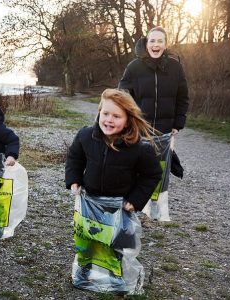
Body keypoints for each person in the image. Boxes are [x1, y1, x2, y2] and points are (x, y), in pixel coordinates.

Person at [65, 88, 162, 293]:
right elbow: (74, 157)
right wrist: (73, 179)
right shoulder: (85, 135)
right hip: (89, 202)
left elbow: (152, 174)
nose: (109, 120)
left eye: (116, 116)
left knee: (116, 245)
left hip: (120, 205)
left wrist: (135, 200)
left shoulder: (139, 148)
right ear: (99, 112)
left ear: (127, 120)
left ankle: (117, 277)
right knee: (87, 240)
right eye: (105, 113)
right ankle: (83, 271)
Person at [118, 26, 189, 135]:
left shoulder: (176, 67)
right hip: (138, 129)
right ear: (147, 44)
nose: (156, 44)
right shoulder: (134, 67)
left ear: (165, 45)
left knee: (163, 153)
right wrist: (127, 123)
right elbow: (122, 97)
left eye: (160, 41)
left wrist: (177, 124)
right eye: (152, 41)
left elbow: (182, 98)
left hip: (165, 131)